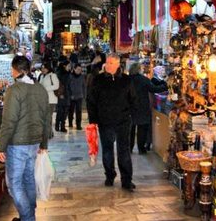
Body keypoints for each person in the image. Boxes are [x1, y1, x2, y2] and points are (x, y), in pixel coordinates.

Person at [0, 55, 50, 221]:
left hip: (17, 145)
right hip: (34, 143)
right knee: (28, 180)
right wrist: (44, 143)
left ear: (14, 70)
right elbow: (46, 118)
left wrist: (1, 147)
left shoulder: (14, 90)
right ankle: (28, 215)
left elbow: (9, 121)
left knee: (15, 185)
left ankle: (28, 217)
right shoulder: (40, 89)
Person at [86, 53, 137, 191]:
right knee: (107, 151)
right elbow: (91, 101)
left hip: (123, 122)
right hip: (105, 121)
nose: (107, 65)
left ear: (117, 64)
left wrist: (131, 116)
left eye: (110, 63)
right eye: (106, 63)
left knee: (124, 151)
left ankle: (126, 180)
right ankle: (109, 175)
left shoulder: (127, 80)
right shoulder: (98, 80)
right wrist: (93, 120)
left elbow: (133, 99)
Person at [129, 63, 168, 154]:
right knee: (142, 129)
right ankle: (141, 149)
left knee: (131, 129)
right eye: (141, 68)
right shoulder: (144, 80)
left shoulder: (127, 80)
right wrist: (165, 85)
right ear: (138, 69)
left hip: (130, 107)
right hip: (142, 107)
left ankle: (129, 148)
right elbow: (154, 89)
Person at [38, 62, 59, 138]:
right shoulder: (41, 76)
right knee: (44, 117)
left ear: (48, 68)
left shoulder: (52, 75)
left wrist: (45, 89)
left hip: (51, 99)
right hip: (43, 100)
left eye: (44, 68)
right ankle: (48, 132)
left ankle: (49, 133)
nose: (43, 69)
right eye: (42, 68)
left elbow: (56, 86)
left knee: (48, 117)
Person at [54, 60, 71, 132]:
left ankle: (62, 126)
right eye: (69, 66)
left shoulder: (68, 73)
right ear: (64, 66)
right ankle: (58, 125)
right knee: (60, 111)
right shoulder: (59, 74)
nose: (70, 67)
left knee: (65, 111)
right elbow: (58, 85)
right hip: (61, 95)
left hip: (67, 94)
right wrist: (60, 94)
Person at [68, 64, 85, 130]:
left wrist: (84, 94)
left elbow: (84, 86)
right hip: (72, 96)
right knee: (71, 111)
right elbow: (68, 86)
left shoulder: (82, 77)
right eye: (78, 69)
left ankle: (78, 125)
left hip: (79, 96)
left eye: (80, 69)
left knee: (79, 111)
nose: (79, 71)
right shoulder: (70, 76)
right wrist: (70, 95)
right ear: (74, 69)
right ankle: (70, 123)